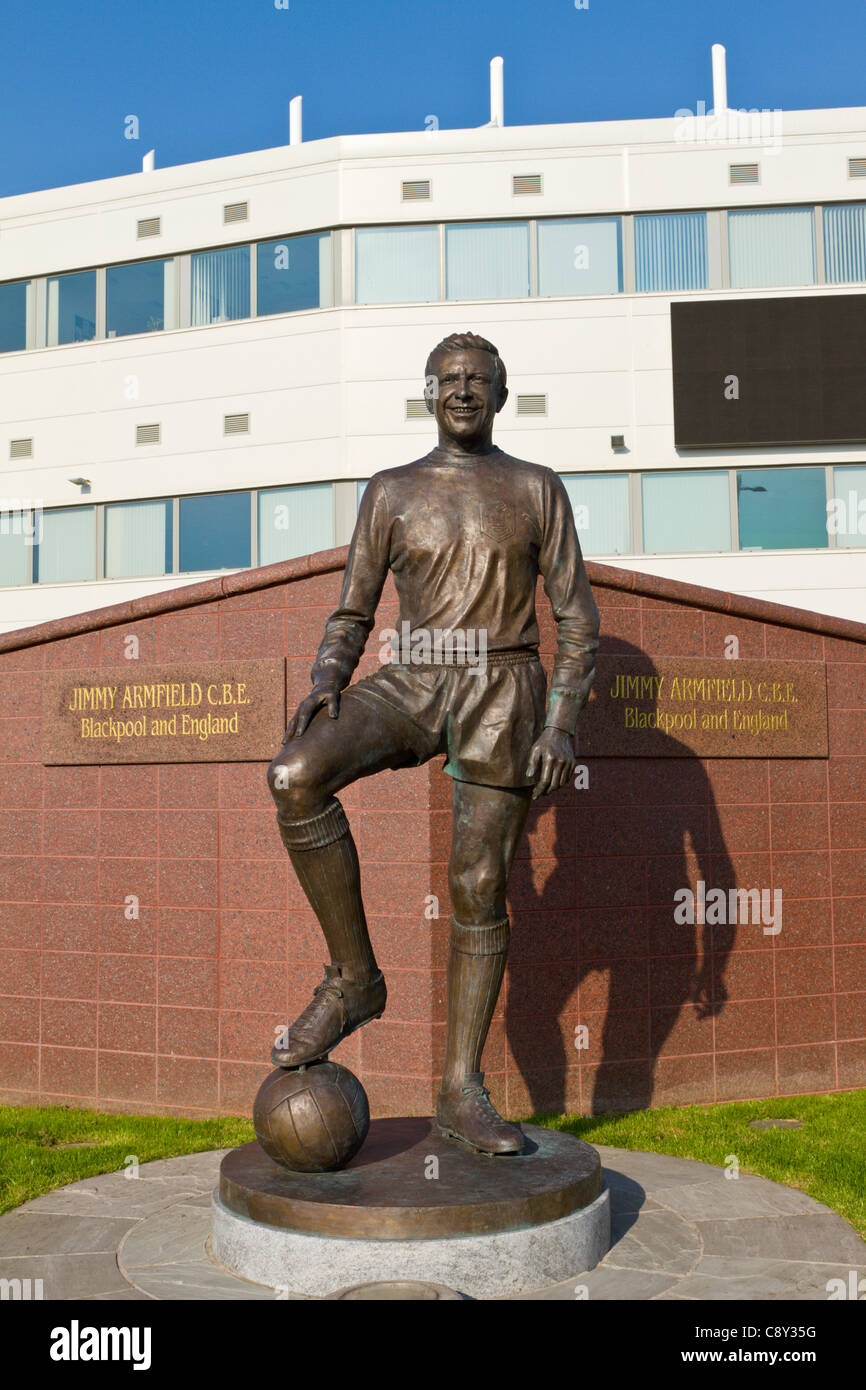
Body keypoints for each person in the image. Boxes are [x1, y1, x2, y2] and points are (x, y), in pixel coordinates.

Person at [267, 331, 599, 1154]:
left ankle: (461, 1088)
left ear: (500, 392)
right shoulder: (390, 491)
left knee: (479, 886)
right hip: (415, 674)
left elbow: (578, 621)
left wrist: (560, 722)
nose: (462, 391)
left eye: (477, 380)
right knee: (294, 775)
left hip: (502, 685)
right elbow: (352, 611)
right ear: (427, 391)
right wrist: (325, 679)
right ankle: (354, 979)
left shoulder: (536, 488)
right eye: (449, 379)